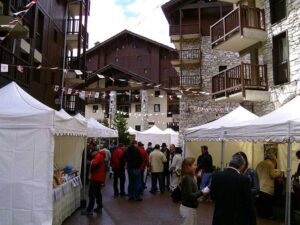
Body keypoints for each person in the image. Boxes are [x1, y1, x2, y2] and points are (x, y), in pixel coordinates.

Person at [210, 153, 256, 225]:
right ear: (242, 166)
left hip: (219, 217)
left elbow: (212, 196)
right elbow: (248, 203)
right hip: (236, 218)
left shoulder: (216, 176)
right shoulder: (243, 180)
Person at [256, 154, 282, 218]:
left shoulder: (260, 163)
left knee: (261, 202)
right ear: (273, 160)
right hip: (267, 188)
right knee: (267, 203)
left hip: (259, 186)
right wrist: (279, 173)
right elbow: (272, 175)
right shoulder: (270, 164)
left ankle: (260, 215)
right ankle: (267, 216)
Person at [81, 150, 106, 215]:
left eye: (92, 152)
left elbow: (94, 163)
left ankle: (90, 210)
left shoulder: (98, 155)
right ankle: (99, 207)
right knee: (98, 193)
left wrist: (88, 162)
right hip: (99, 177)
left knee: (92, 193)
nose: (91, 154)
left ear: (95, 151)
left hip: (96, 177)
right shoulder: (100, 155)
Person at [180, 157, 203, 225]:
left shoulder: (191, 176)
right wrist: (201, 192)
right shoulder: (187, 178)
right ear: (188, 166)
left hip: (190, 208)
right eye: (194, 165)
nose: (196, 166)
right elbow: (189, 196)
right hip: (188, 208)